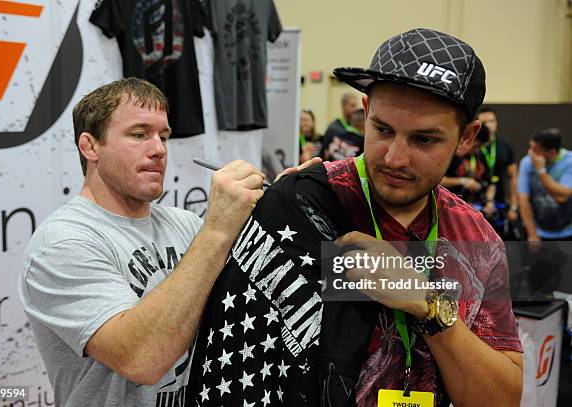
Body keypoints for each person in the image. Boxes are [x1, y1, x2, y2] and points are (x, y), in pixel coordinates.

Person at [186, 28, 522, 407]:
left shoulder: (476, 239)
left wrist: (428, 304)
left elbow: (501, 399)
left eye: (424, 139)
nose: (395, 157)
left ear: (467, 137)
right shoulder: (304, 206)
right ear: (365, 113)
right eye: (382, 129)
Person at [17, 77, 316, 407]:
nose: (158, 149)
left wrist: (288, 209)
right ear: (90, 147)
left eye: (164, 136)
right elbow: (143, 359)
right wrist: (217, 229)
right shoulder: (62, 244)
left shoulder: (184, 224)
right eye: (139, 134)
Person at [517, 127, 572, 242]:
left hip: (567, 231)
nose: (530, 153)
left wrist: (541, 171)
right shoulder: (527, 162)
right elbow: (523, 200)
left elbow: (562, 196)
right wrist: (532, 234)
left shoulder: (569, 161)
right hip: (539, 232)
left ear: (551, 153)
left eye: (535, 149)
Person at [476, 107, 520, 225]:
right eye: (485, 122)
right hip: (476, 200)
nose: (489, 125)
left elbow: (513, 176)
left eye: (492, 121)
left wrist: (513, 206)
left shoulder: (505, 146)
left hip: (500, 200)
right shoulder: (472, 146)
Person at [321, 92, 360, 157]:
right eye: (352, 105)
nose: (356, 109)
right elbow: (325, 154)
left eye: (356, 105)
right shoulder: (333, 129)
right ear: (343, 106)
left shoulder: (359, 128)